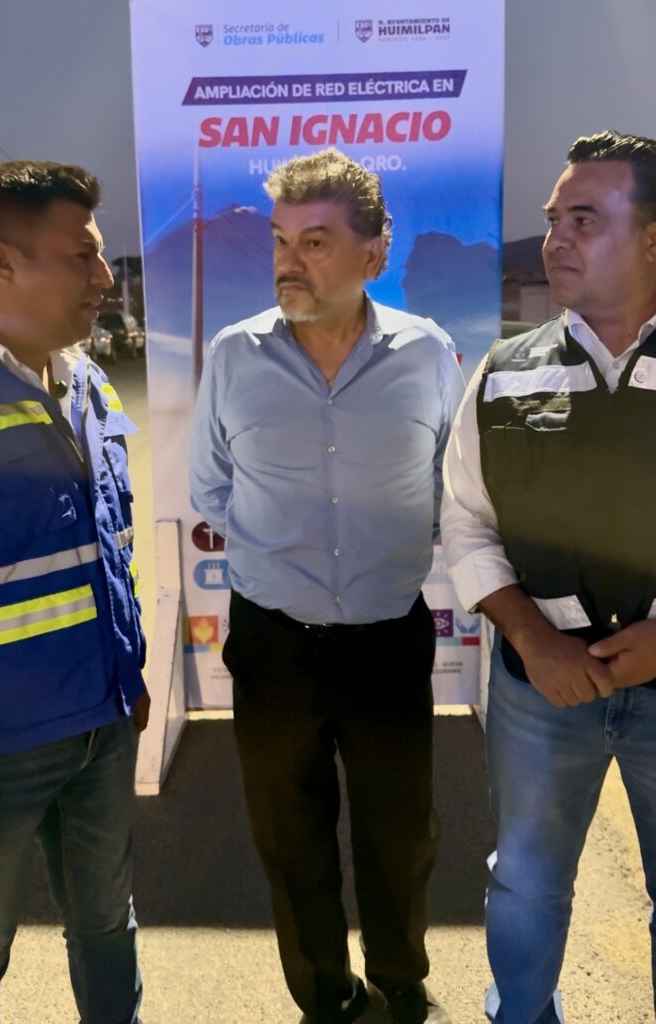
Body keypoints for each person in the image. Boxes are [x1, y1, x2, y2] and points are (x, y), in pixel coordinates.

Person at [189, 148, 463, 1024]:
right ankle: (323, 993)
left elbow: (451, 482)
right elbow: (209, 487)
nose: (288, 261)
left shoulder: (429, 353)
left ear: (374, 254)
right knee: (288, 833)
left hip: (388, 635)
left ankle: (400, 978)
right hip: (274, 640)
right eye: (280, 240)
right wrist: (286, 551)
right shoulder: (234, 355)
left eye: (314, 242)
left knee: (401, 831)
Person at [441, 130, 656, 1023]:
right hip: (541, 690)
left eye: (584, 219)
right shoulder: (502, 375)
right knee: (526, 881)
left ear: (653, 238)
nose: (555, 239)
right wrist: (532, 640)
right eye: (553, 219)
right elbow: (465, 522)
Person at [0, 160, 149, 1024]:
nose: (105, 277)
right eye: (82, 256)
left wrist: (131, 670)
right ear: (1, 262)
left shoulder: (86, 382)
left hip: (102, 728)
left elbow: (110, 545)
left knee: (107, 928)